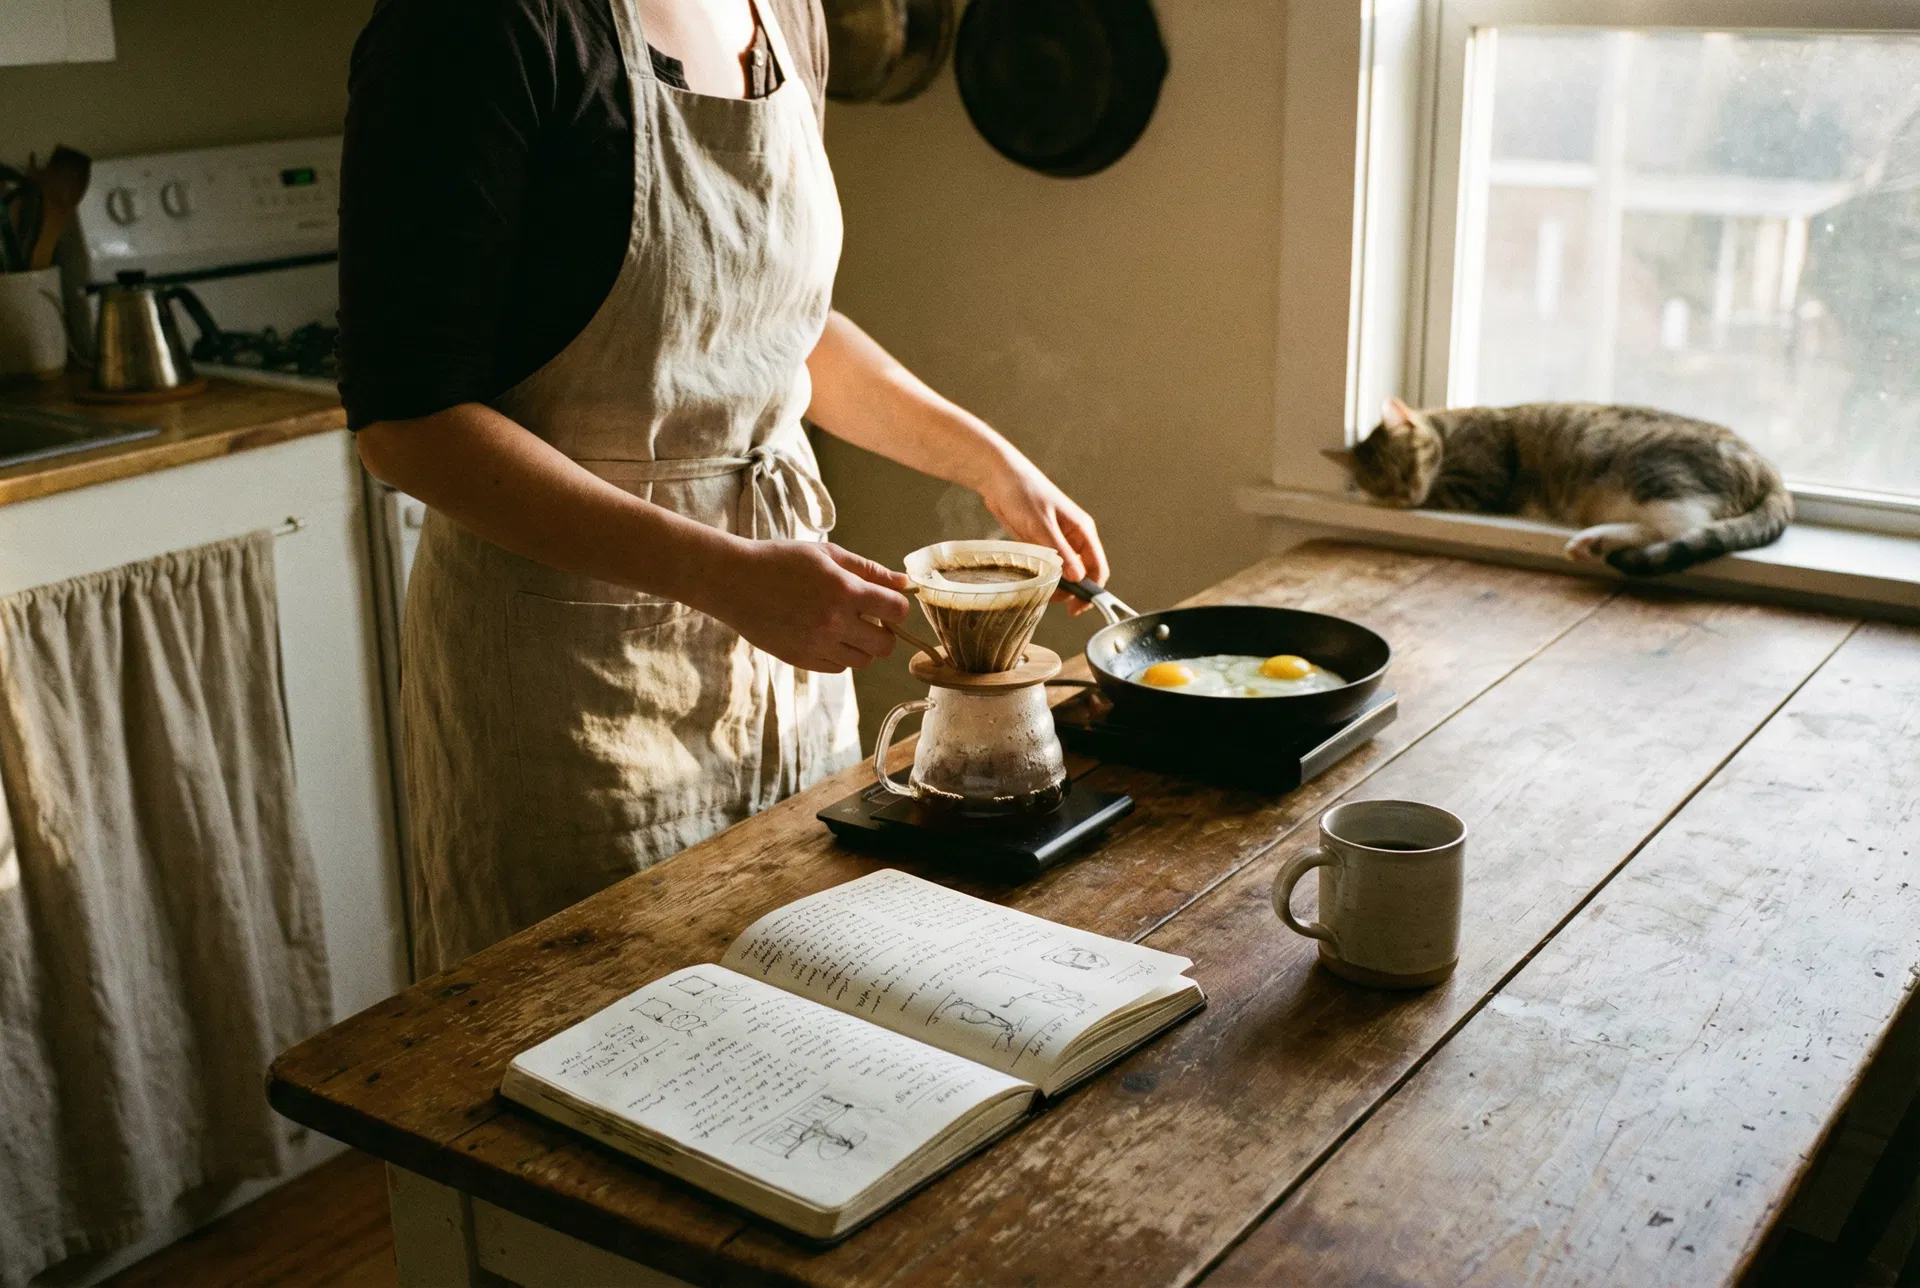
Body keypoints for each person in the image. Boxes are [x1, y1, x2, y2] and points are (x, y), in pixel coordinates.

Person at [339, 0, 1109, 974]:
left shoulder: (786, 15)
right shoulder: (474, 25)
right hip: (572, 689)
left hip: (784, 680)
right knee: (590, 1046)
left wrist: (986, 459)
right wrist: (728, 576)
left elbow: (779, 319)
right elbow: (407, 425)